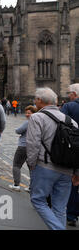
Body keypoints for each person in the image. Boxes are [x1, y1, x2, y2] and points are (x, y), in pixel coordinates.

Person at [26, 87, 79, 230]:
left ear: (39, 100)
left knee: (38, 201)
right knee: (60, 208)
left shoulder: (37, 117)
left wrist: (31, 165)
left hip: (45, 167)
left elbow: (32, 144)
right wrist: (77, 172)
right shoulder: (72, 122)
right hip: (67, 170)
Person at [61, 83, 79, 227]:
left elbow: (62, 126)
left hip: (74, 149)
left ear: (74, 94)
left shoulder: (69, 106)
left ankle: (72, 215)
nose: (68, 96)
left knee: (73, 181)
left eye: (69, 93)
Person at [8, 105, 38, 191]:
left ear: (34, 113)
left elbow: (18, 131)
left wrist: (16, 129)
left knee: (16, 165)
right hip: (33, 147)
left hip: (23, 146)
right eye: (26, 113)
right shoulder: (38, 122)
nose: (27, 114)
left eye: (29, 113)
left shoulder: (28, 122)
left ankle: (16, 185)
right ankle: (31, 187)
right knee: (31, 167)